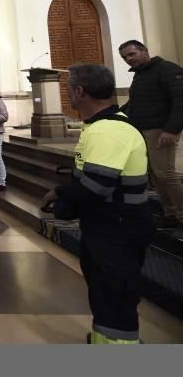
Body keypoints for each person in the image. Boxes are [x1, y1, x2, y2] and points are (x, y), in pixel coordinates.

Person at [41, 64, 155, 345]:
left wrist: (58, 193)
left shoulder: (107, 131)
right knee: (105, 290)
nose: (68, 93)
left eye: (69, 89)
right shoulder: (100, 125)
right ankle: (107, 338)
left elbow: (96, 186)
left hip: (118, 225)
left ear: (80, 91)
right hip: (108, 223)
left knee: (114, 293)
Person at [119, 39, 183, 227]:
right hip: (142, 130)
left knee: (166, 174)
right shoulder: (139, 75)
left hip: (161, 130)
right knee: (155, 174)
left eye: (132, 54)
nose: (129, 59)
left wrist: (171, 129)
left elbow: (180, 100)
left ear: (144, 50)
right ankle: (170, 213)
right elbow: (135, 104)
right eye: (125, 57)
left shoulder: (167, 69)